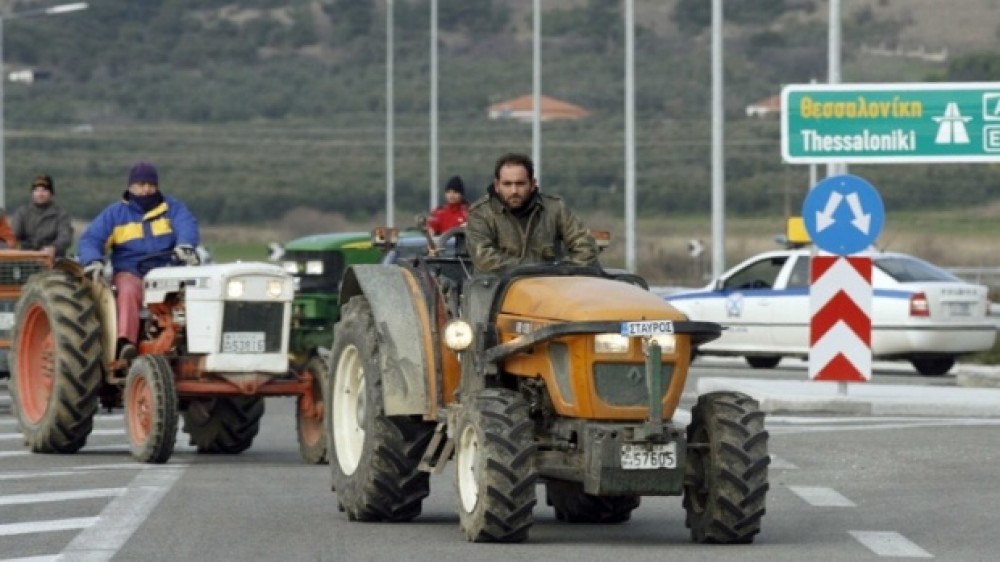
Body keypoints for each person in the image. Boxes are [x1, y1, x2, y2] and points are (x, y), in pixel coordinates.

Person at [78, 162, 201, 361]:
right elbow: (91, 239)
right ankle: (126, 344)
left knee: (195, 293)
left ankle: (193, 344)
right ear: (130, 187)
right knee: (128, 291)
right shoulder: (115, 214)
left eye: (150, 185)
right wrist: (93, 260)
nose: (146, 190)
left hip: (169, 270)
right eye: (141, 185)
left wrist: (185, 245)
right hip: (132, 271)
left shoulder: (172, 208)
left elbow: (186, 225)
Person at [465, 152, 598, 274]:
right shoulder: (480, 213)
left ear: (532, 184)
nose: (514, 191)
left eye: (520, 183)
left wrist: (563, 272)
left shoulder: (555, 208)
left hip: (549, 289)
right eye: (507, 184)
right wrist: (535, 271)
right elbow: (485, 259)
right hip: (497, 292)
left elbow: (585, 246)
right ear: (497, 185)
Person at [10, 174, 74, 257]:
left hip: (52, 259)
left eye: (44, 190)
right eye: (37, 190)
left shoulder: (61, 215)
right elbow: (13, 235)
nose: (40, 194)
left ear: (51, 193)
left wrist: (54, 247)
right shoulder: (22, 213)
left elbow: (65, 237)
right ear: (32, 193)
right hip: (26, 257)